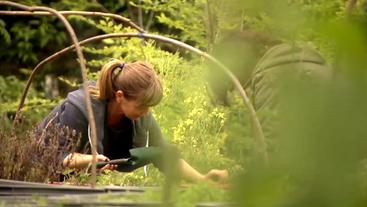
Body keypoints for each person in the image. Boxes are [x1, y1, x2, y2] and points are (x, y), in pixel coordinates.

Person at [38, 59, 228, 183]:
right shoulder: (79, 109)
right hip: (35, 179)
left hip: (77, 186)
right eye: (142, 106)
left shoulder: (142, 118)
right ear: (120, 96)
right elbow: (55, 155)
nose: (147, 113)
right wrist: (90, 160)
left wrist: (203, 180)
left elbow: (164, 155)